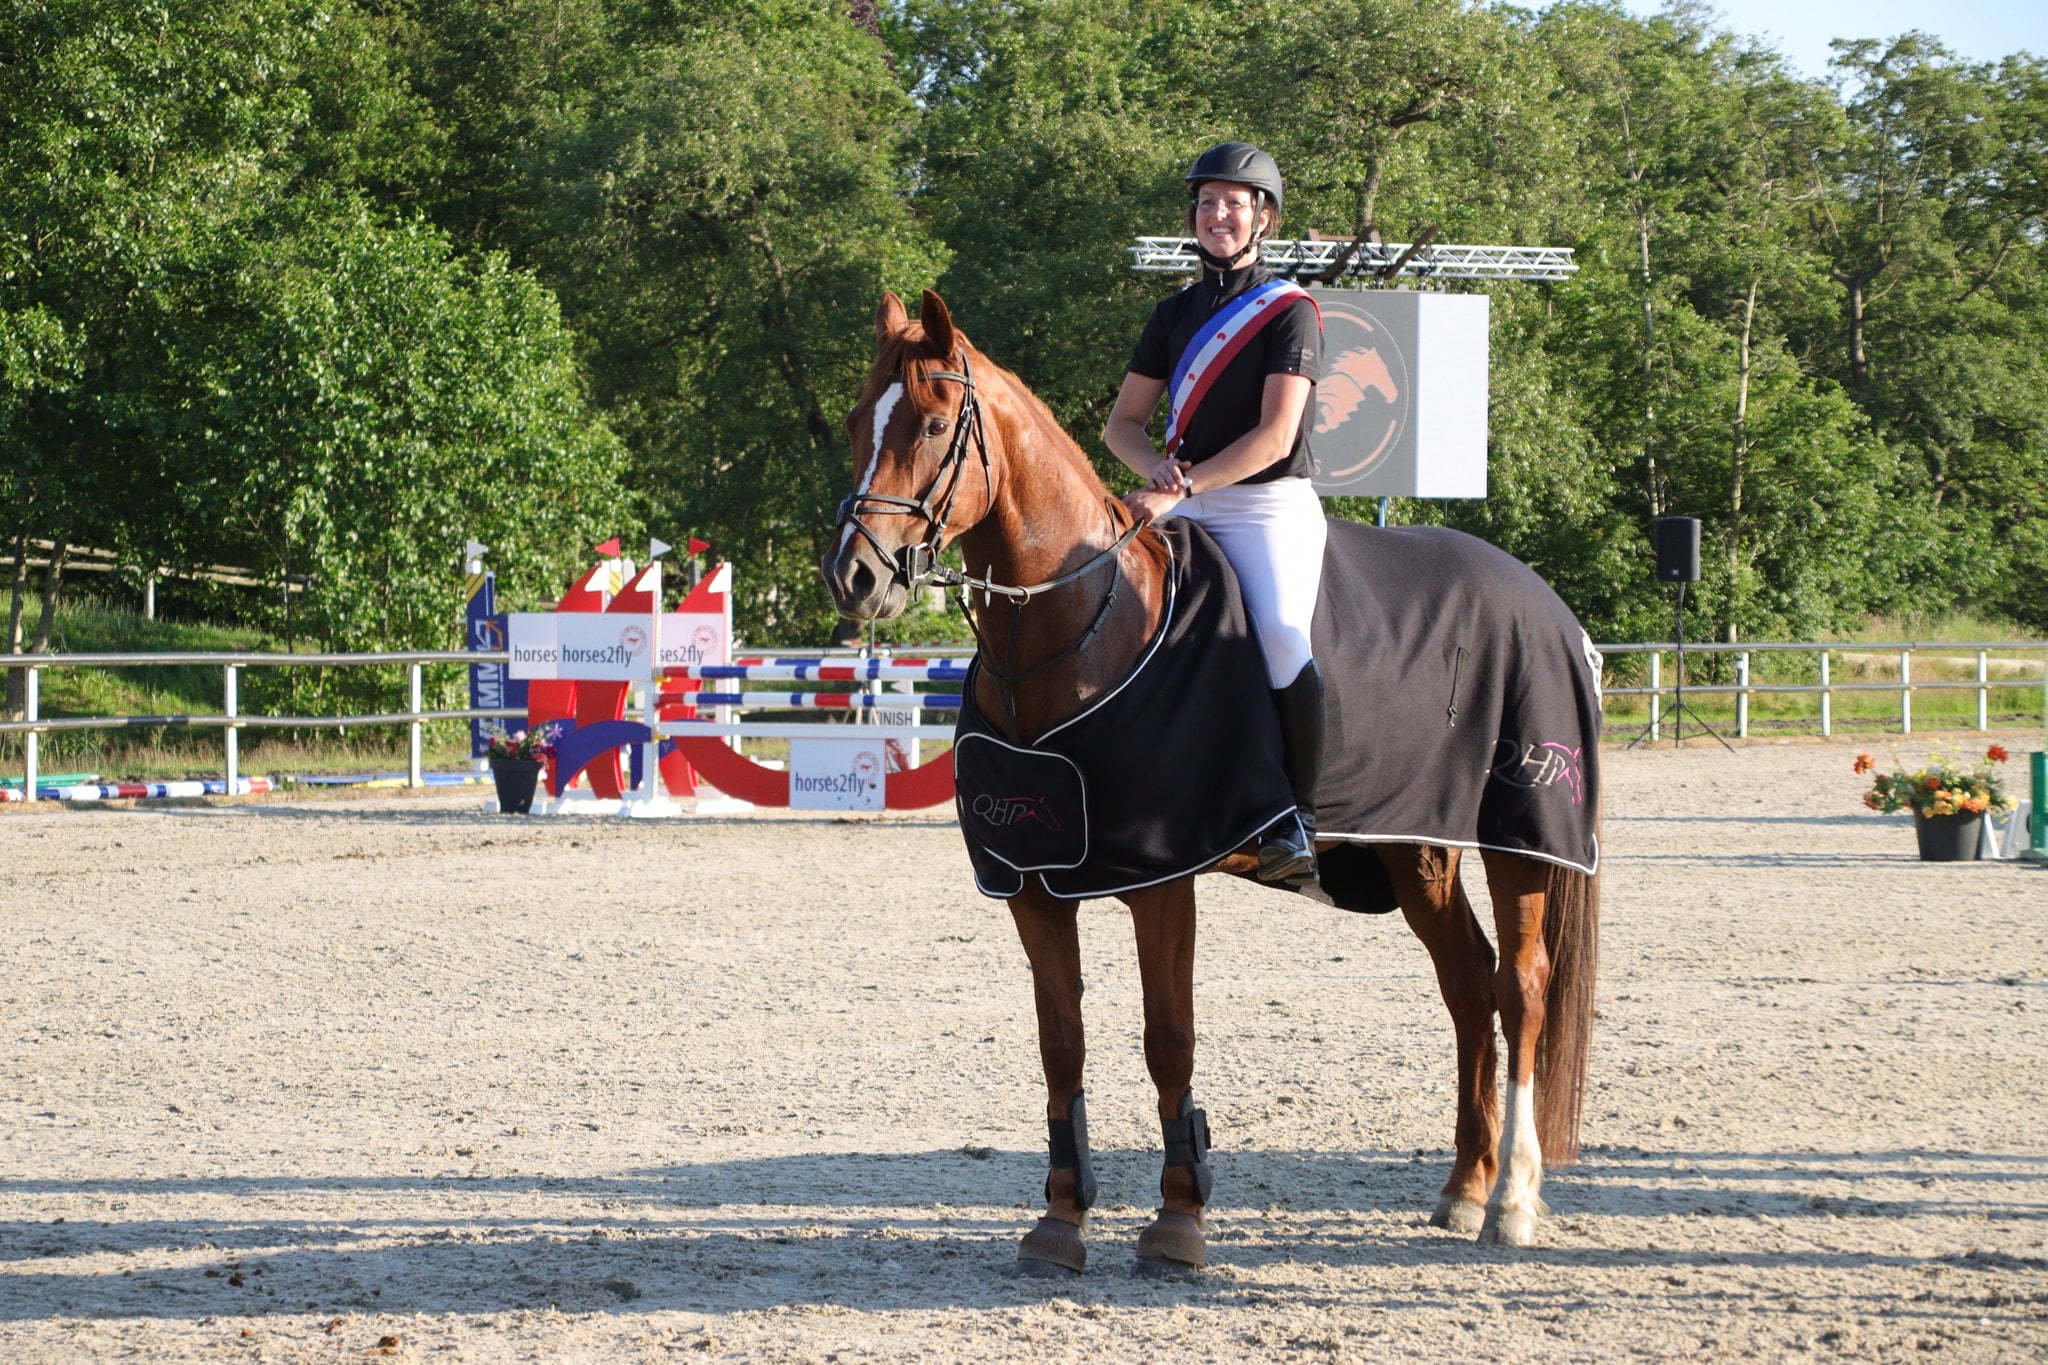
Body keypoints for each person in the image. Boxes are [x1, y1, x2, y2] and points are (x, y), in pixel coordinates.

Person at [1103, 141, 1327, 892]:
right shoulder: (1171, 314)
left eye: (1234, 203)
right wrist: (1153, 471)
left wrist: (1182, 486)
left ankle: (1295, 816)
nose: (1217, 215)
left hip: (1266, 505)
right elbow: (1122, 427)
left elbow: (1275, 436)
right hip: (1187, 498)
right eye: (1206, 203)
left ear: (1262, 217)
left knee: (1279, 638)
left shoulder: (1291, 312)